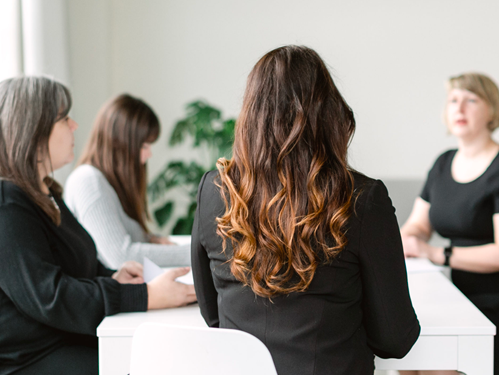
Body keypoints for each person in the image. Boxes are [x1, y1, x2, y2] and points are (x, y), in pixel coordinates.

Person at [191, 45, 420, 375]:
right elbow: (395, 339)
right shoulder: (363, 199)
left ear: (250, 116)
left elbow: (212, 315)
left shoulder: (213, 191)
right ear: (330, 113)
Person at [0, 76, 196, 375]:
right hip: (34, 358)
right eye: (64, 118)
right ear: (34, 130)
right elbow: (52, 296)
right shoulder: (8, 203)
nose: (75, 126)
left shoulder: (48, 192)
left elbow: (72, 268)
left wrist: (112, 277)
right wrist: (145, 296)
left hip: (69, 339)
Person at [401, 72, 499, 375]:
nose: (460, 108)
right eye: (453, 100)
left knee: (437, 368)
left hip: (489, 300)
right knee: (406, 360)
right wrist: (409, 239)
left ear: (492, 110)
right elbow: (417, 225)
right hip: (449, 294)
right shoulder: (443, 163)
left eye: (471, 99)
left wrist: (437, 254)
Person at [64, 94, 191, 269]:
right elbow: (121, 257)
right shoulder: (88, 181)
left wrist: (151, 240)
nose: (149, 154)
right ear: (120, 144)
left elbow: (120, 236)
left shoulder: (106, 183)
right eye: (144, 146)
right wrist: (194, 254)